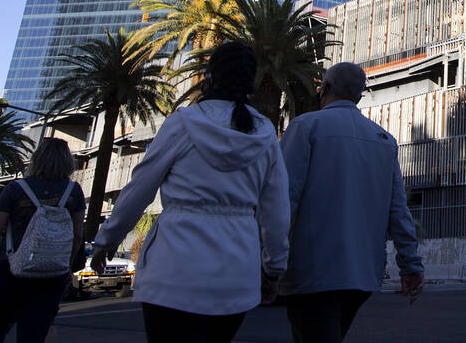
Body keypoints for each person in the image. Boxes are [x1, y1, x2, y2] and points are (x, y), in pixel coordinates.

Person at [90, 41, 290, 343]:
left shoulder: (184, 123)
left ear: (210, 77)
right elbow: (276, 210)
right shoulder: (263, 133)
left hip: (173, 270)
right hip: (235, 274)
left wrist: (106, 241)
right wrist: (274, 267)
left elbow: (139, 190)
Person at [279, 62, 424, 342]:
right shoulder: (383, 140)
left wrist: (268, 260)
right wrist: (411, 264)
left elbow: (283, 199)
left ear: (325, 89)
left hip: (312, 270)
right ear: (358, 95)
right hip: (362, 275)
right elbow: (398, 210)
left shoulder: (305, 127)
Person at [0, 138, 86, 343]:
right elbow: (77, 234)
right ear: (67, 162)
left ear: (36, 159)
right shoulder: (74, 192)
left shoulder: (16, 189)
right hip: (50, 275)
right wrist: (66, 268)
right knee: (34, 334)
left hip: (7, 269)